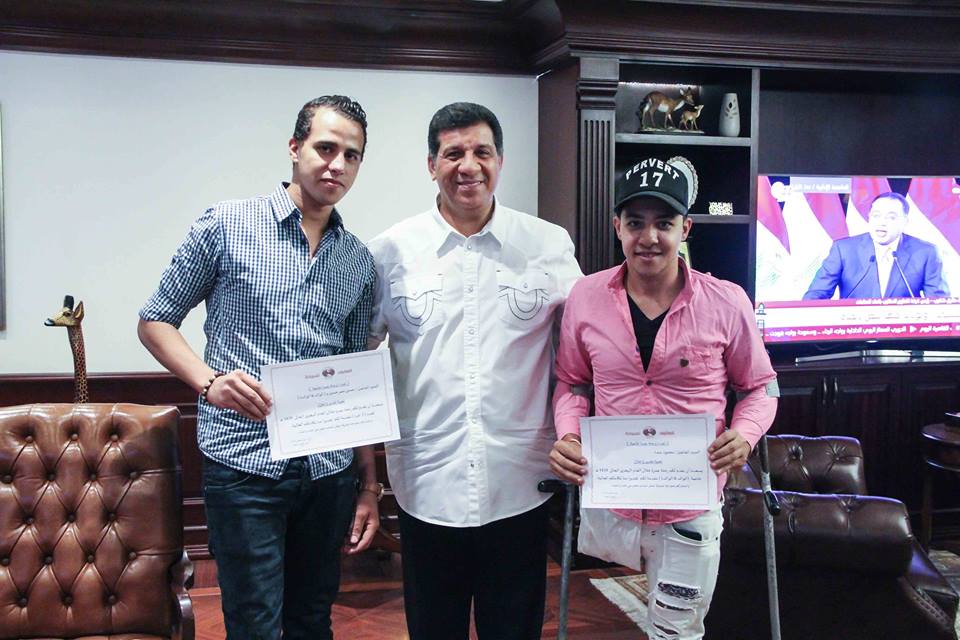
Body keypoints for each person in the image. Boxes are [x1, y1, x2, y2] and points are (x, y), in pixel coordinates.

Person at [138, 95, 381, 640]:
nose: (337, 164)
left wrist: (368, 485)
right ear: (295, 148)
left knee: (312, 620)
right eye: (325, 148)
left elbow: (356, 376)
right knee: (254, 624)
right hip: (245, 465)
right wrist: (208, 382)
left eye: (351, 155)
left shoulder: (358, 260)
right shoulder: (227, 224)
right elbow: (155, 321)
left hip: (327, 469)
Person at [367, 102, 582, 640]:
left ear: (500, 161)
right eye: (453, 153)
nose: (469, 166)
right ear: (431, 165)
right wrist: (364, 480)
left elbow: (587, 345)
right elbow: (359, 361)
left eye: (482, 152)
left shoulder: (548, 244)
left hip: (520, 482)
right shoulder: (389, 251)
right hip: (426, 481)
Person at [549, 156, 779, 640]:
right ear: (617, 226)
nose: (648, 237)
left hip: (688, 508)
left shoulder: (726, 301)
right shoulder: (585, 298)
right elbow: (572, 383)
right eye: (635, 223)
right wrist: (568, 436)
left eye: (664, 223)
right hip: (611, 502)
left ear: (685, 228)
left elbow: (760, 387)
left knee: (676, 632)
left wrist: (745, 435)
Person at [803, 192, 949, 299]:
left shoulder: (926, 252)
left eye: (891, 217)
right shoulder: (843, 249)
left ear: (905, 222)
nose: (881, 222)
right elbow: (816, 295)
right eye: (876, 215)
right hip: (855, 329)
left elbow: (939, 303)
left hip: (904, 330)